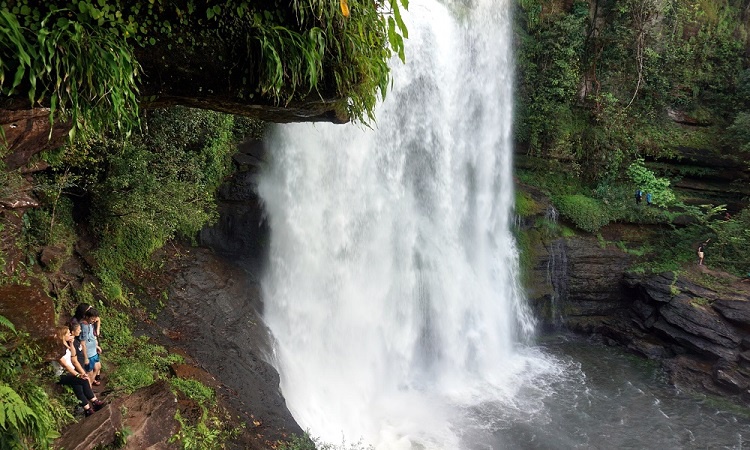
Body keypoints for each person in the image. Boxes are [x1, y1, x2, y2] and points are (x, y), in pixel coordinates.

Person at [53, 326, 104, 416]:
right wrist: (78, 375)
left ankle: (87, 409)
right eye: (68, 333)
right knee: (82, 380)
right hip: (61, 374)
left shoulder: (66, 345)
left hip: (69, 372)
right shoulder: (57, 349)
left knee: (78, 385)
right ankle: (94, 402)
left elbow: (73, 357)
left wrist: (71, 344)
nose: (70, 334)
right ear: (62, 335)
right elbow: (65, 365)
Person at [81, 307, 102, 386]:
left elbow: (91, 338)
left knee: (98, 367)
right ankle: (89, 392)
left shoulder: (90, 324)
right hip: (89, 354)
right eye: (92, 319)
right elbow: (83, 343)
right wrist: (86, 357)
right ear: (87, 317)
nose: (94, 321)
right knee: (89, 374)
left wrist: (96, 346)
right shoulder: (83, 327)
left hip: (94, 351)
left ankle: (90, 385)